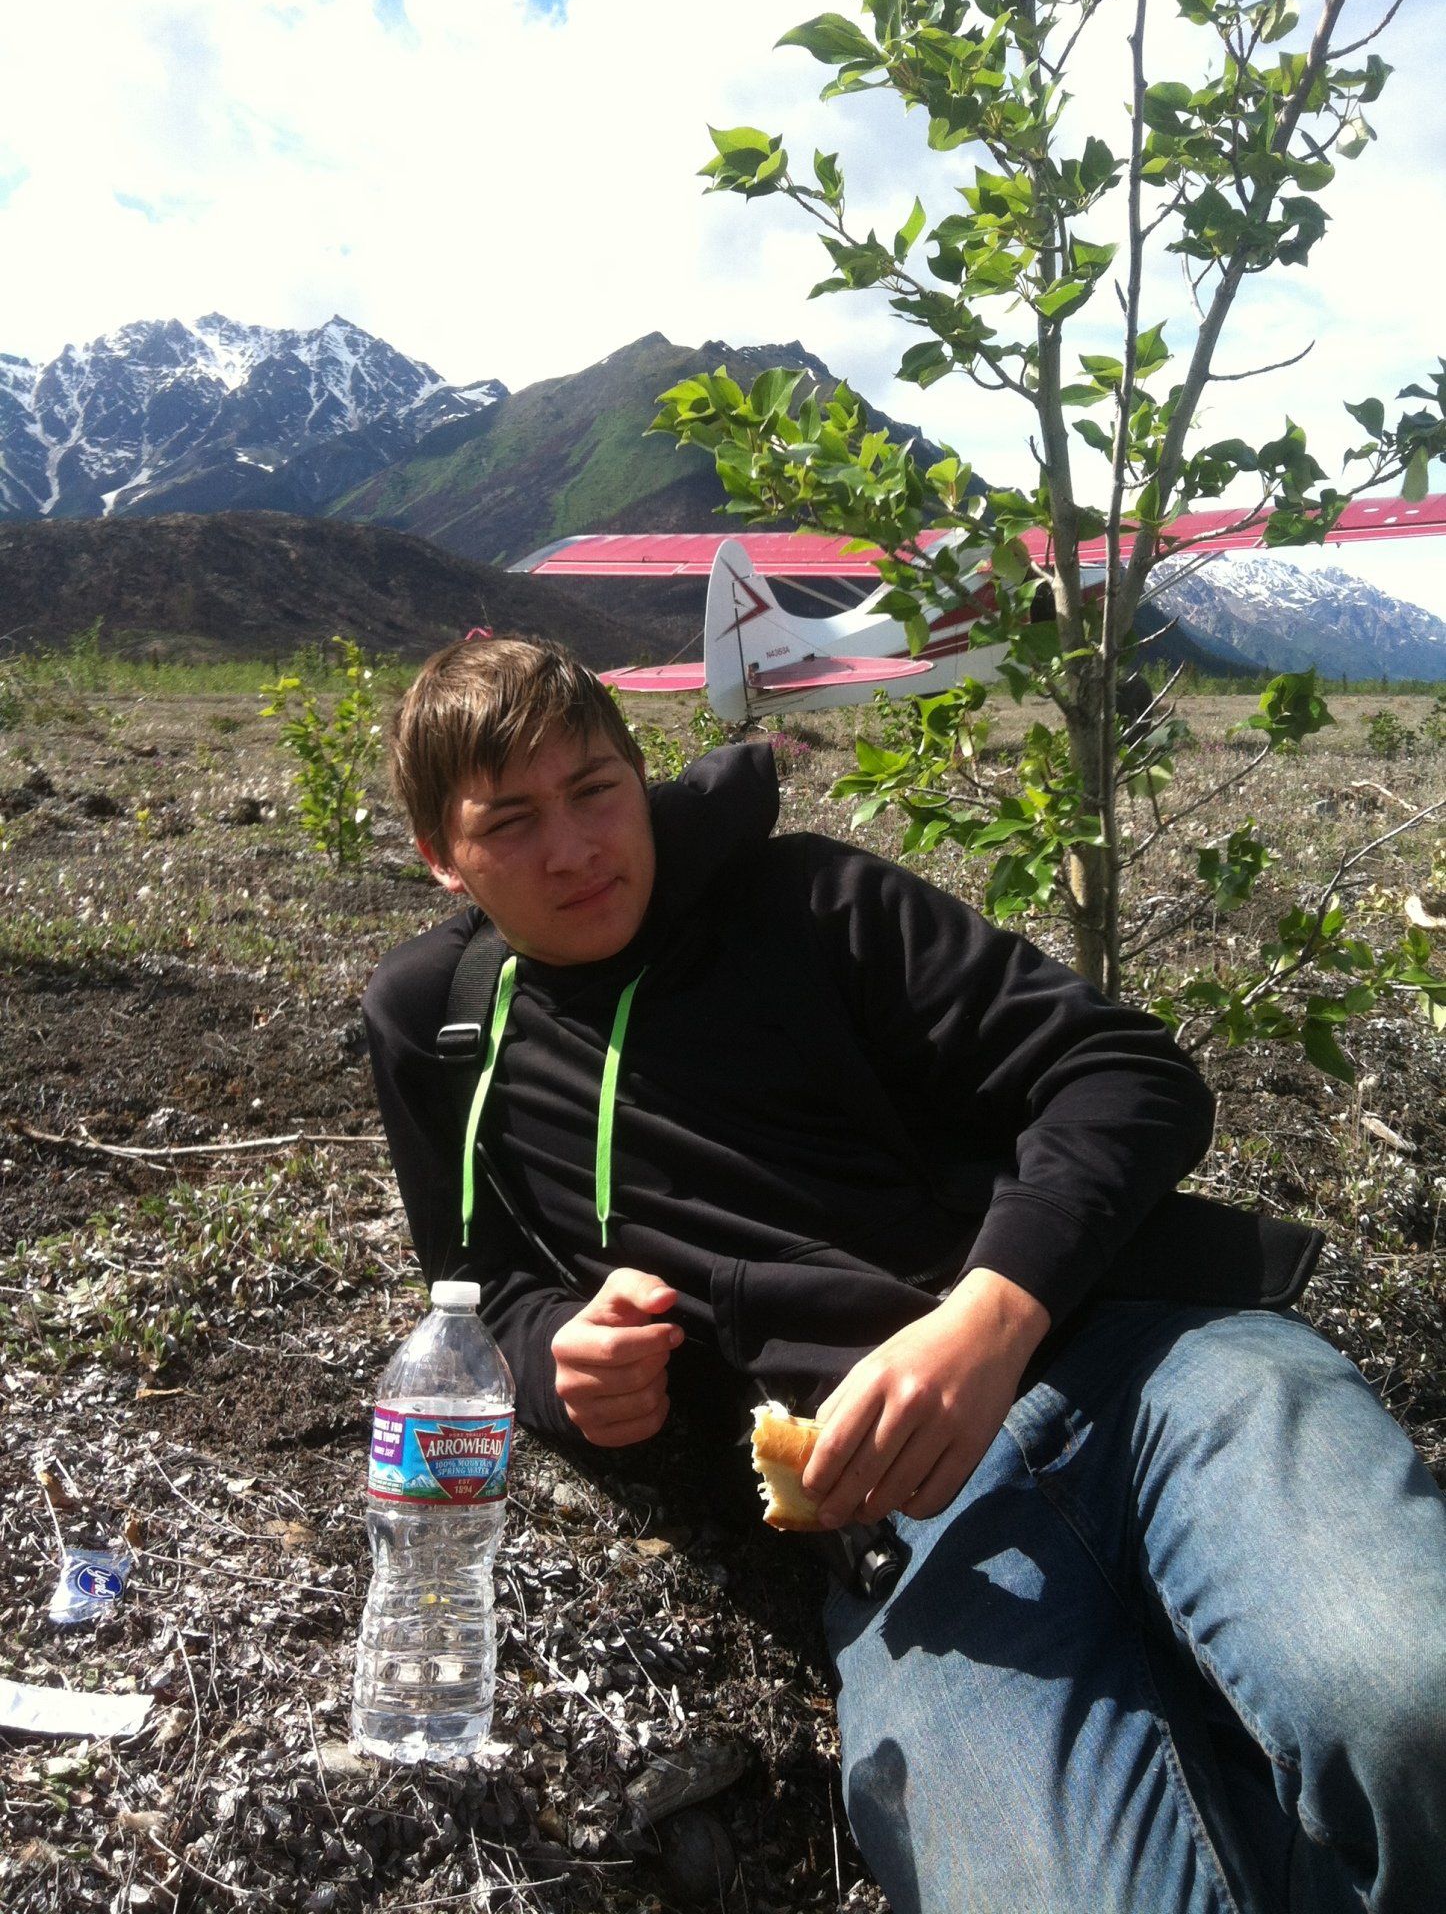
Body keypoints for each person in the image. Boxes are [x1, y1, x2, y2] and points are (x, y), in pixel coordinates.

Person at [363, 635, 1446, 1914]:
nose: (574, 848)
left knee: (1408, 1703)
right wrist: (558, 1361)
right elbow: (477, 1285)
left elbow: (1125, 1075)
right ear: (442, 854)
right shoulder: (439, 1024)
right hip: (902, 1519)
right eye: (513, 821)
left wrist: (988, 1314)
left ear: (638, 774)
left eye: (594, 789)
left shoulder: (810, 904)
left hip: (1157, 1365)